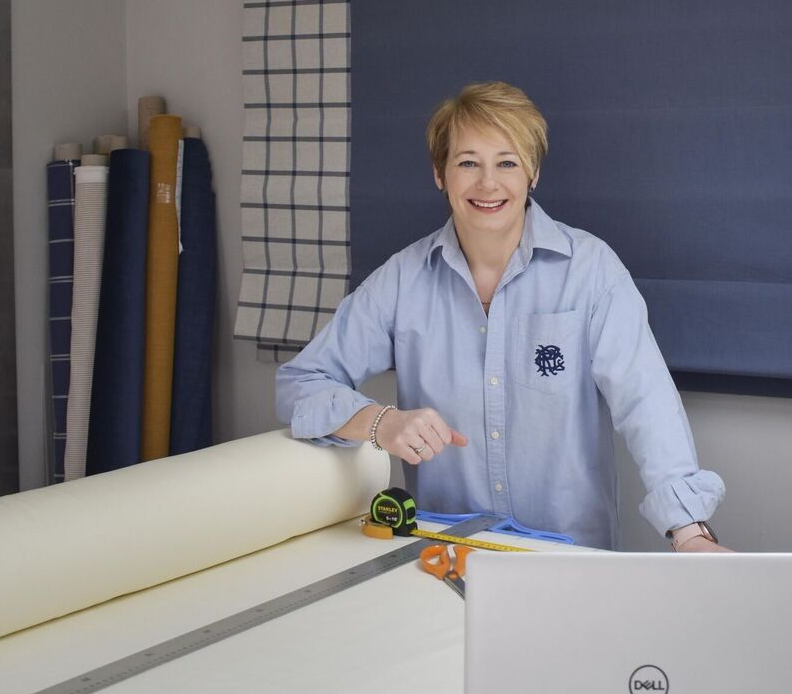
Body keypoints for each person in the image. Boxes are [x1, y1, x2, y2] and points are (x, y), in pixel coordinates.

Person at [275, 82, 726, 551]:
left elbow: (646, 402)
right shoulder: (401, 280)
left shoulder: (593, 271)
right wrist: (378, 422)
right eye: (468, 163)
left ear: (532, 174)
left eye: (507, 163)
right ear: (439, 174)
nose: (488, 184)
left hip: (570, 559)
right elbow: (300, 382)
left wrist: (689, 531)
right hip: (445, 556)